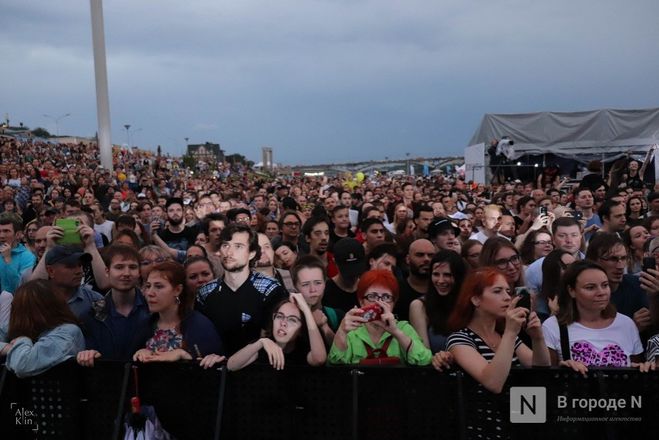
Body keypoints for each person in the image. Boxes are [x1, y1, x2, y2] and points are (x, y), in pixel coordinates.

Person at [446, 267, 550, 394]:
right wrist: (510, 333)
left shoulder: (504, 334)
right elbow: (493, 383)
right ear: (476, 300)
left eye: (508, 291)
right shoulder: (460, 340)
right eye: (497, 291)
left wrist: (537, 338)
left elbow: (542, 368)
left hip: (517, 409)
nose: (507, 297)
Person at [542, 261, 652, 373]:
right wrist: (563, 369)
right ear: (572, 291)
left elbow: (635, 368)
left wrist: (643, 368)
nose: (601, 292)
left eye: (605, 285)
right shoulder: (553, 326)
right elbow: (546, 375)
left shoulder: (626, 324)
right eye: (590, 287)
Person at [195, 224, 288, 355]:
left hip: (259, 368)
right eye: (225, 245)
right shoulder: (205, 292)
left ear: (252, 253)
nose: (229, 252)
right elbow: (200, 338)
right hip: (215, 367)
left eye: (238, 246)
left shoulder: (270, 289)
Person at [328, 269, 432, 366]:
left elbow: (425, 360)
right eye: (372, 296)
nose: (379, 303)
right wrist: (341, 331)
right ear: (361, 301)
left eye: (386, 297)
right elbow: (335, 363)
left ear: (394, 303)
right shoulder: (351, 331)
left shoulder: (403, 328)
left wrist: (396, 332)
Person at [134, 261, 225, 368]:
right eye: (148, 286)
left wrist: (184, 355)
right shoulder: (145, 325)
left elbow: (213, 369)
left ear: (177, 290)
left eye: (159, 287)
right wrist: (139, 353)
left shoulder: (199, 325)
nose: (150, 293)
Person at [76, 245, 151, 366]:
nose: (126, 273)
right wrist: (89, 354)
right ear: (107, 271)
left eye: (132, 267)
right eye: (119, 267)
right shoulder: (91, 314)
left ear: (139, 272)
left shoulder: (153, 310)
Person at [0, 279, 85, 378]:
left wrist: (22, 340)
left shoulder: (67, 332)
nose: (14, 313)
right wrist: (7, 348)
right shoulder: (26, 327)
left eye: (18, 308)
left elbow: (24, 365)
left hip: (57, 390)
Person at [227, 293, 327, 370]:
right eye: (279, 316)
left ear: (301, 329)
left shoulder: (304, 351)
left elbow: (319, 359)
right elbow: (231, 366)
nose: (283, 323)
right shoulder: (262, 345)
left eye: (292, 320)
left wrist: (306, 310)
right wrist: (261, 342)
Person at [410, 251, 466, 363]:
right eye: (436, 274)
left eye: (447, 275)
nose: (440, 281)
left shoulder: (470, 303)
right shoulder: (419, 306)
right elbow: (424, 353)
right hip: (437, 372)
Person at [290, 255, 345, 346]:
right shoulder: (287, 319)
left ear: (325, 283)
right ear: (295, 287)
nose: (313, 290)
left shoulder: (337, 316)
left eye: (318, 283)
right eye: (305, 284)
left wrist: (325, 326)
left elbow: (343, 355)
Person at [0, 212, 37, 294]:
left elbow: (19, 287)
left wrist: (8, 259)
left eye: (6, 231)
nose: (1, 235)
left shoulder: (28, 257)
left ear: (18, 234)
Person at [538, 249, 576, 322]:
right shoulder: (542, 306)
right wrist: (554, 314)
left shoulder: (580, 295)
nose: (576, 270)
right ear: (553, 271)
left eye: (576, 265)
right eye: (568, 266)